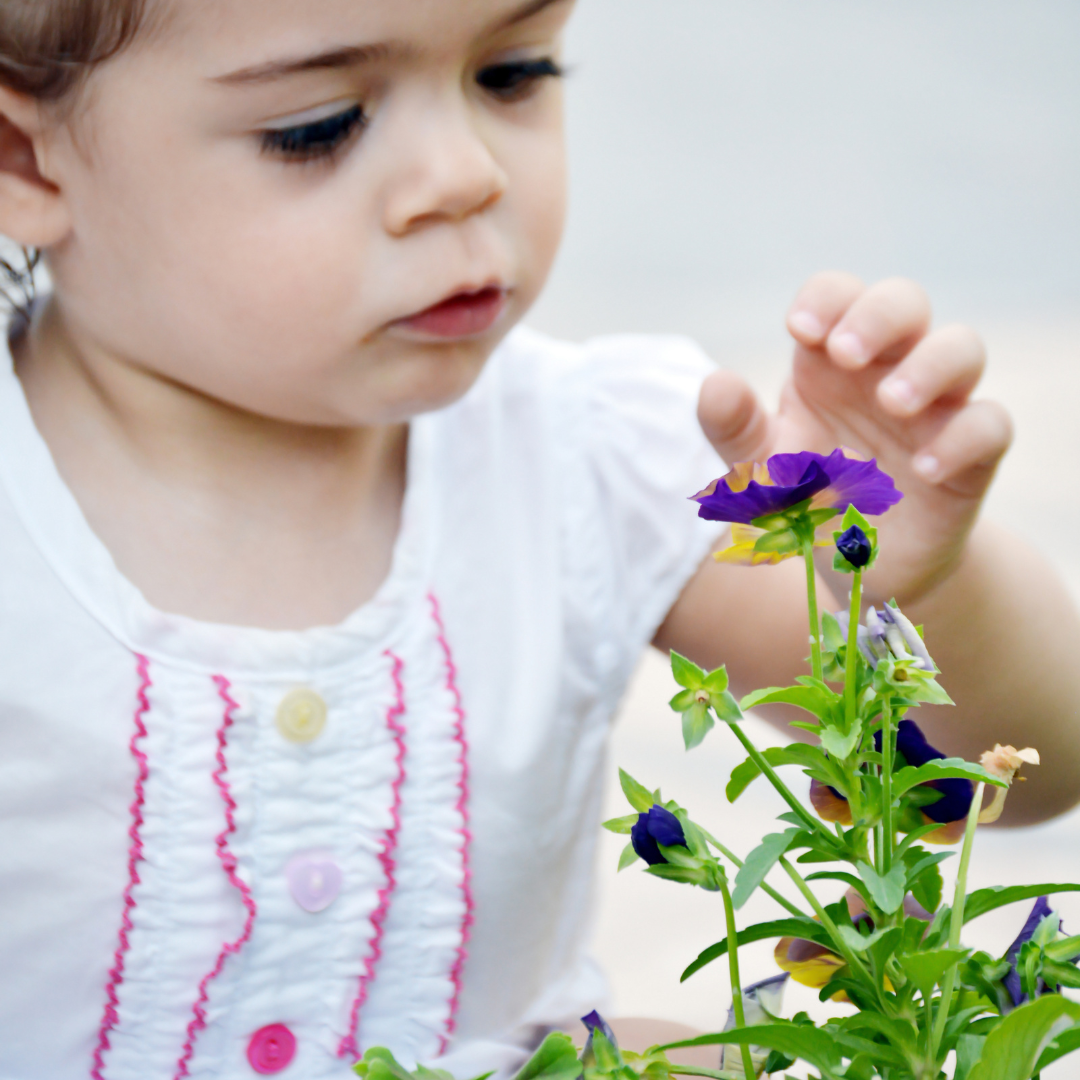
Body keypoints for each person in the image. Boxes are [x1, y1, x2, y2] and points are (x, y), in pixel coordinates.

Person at [0, 0, 1076, 1077]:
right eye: (320, 125)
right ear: (27, 160)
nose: (467, 175)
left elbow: (1026, 769)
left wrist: (911, 590)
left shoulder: (593, 453)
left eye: (511, 72)